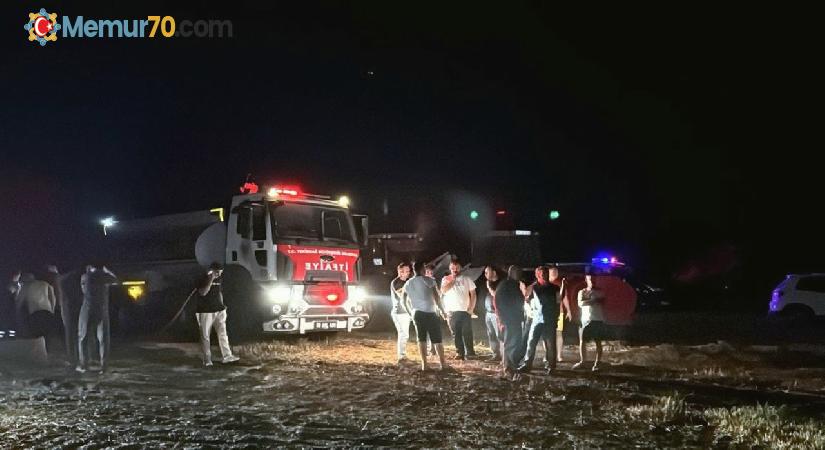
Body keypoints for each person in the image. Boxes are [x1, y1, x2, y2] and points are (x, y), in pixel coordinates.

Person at [404, 263, 449, 371]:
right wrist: (443, 311)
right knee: (437, 339)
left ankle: (424, 365)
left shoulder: (408, 283)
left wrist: (410, 313)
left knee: (421, 339)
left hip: (417, 313)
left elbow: (403, 301)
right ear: (422, 269)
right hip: (430, 312)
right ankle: (443, 364)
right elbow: (437, 298)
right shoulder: (429, 281)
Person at [195, 263, 240, 366]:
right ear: (211, 270)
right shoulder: (203, 278)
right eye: (217, 272)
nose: (219, 275)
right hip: (205, 311)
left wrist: (222, 305)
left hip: (219, 310)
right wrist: (210, 279)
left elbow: (219, 292)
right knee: (205, 336)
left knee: (223, 333)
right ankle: (207, 360)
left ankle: (227, 356)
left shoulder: (219, 279)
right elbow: (203, 293)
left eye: (220, 273)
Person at [518, 266, 560, 373]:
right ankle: (527, 364)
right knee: (531, 342)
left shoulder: (555, 288)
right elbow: (526, 299)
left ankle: (551, 366)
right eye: (541, 274)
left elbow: (558, 303)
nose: (544, 276)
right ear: (537, 275)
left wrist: (556, 317)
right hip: (536, 319)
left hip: (549, 319)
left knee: (550, 344)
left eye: (545, 274)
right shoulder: (533, 288)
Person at [78, 264, 118, 373]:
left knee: (83, 337)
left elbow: (83, 290)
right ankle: (104, 366)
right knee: (103, 338)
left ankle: (83, 365)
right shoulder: (104, 276)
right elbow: (115, 279)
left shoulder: (85, 277)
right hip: (102, 309)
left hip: (87, 309)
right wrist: (107, 271)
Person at [440, 259, 477, 360]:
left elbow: (473, 293)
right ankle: (460, 353)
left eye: (457, 268)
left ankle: (470, 352)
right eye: (452, 268)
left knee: (467, 331)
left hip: (465, 310)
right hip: (452, 310)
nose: (455, 270)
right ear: (450, 268)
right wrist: (453, 281)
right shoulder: (446, 279)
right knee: (456, 333)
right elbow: (443, 291)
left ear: (460, 268)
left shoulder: (466, 279)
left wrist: (471, 307)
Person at [495, 265, 526, 380]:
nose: (519, 274)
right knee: (510, 344)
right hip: (509, 319)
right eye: (517, 272)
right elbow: (497, 302)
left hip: (515, 319)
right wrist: (502, 319)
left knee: (515, 343)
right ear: (510, 273)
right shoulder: (505, 285)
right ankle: (508, 369)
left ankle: (512, 366)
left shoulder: (514, 285)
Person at [15, 273, 58, 350]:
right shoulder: (45, 284)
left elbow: (18, 303)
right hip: (48, 313)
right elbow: (53, 299)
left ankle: (40, 356)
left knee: (37, 338)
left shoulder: (26, 287)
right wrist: (52, 311)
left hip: (35, 315)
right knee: (48, 338)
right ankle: (49, 355)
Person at [573, 273, 606, 371]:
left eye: (594, 279)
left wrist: (591, 301)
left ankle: (597, 363)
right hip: (585, 320)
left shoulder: (600, 292)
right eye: (590, 279)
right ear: (586, 280)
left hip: (598, 319)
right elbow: (580, 303)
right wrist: (593, 301)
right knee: (582, 341)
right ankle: (583, 361)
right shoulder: (582, 292)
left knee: (598, 342)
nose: (592, 281)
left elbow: (603, 302)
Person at [42, 265, 75, 364]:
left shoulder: (48, 280)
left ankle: (48, 353)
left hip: (52, 308)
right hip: (61, 307)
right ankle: (70, 354)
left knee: (49, 333)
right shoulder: (61, 278)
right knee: (63, 332)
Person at [390, 262, 413, 364]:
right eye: (405, 271)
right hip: (399, 312)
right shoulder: (396, 283)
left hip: (405, 311)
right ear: (399, 271)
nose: (407, 273)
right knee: (403, 334)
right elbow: (402, 297)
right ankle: (401, 356)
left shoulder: (407, 281)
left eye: (408, 271)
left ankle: (402, 355)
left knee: (405, 334)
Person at [551, 266, 572, 363]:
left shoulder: (560, 284)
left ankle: (559, 355)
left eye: (556, 271)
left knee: (559, 333)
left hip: (559, 312)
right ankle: (549, 354)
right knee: (548, 335)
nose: (555, 273)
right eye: (553, 271)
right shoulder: (544, 283)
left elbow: (565, 298)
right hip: (547, 312)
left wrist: (568, 310)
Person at [482, 265, 502, 361]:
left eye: (487, 272)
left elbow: (495, 295)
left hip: (496, 313)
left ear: (494, 273)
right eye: (485, 272)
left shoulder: (500, 283)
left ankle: (504, 356)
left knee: (499, 335)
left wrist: (489, 287)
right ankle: (495, 354)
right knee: (491, 334)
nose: (485, 274)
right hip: (488, 313)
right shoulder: (488, 282)